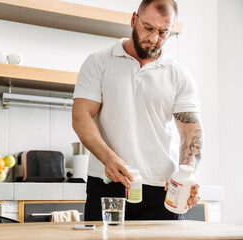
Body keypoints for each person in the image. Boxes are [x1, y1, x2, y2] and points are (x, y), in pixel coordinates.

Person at [72, 0, 202, 221]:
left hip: (161, 190)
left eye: (163, 32)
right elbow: (81, 116)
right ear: (134, 20)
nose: (154, 38)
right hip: (107, 184)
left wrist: (186, 174)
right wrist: (109, 159)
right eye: (149, 28)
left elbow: (191, 132)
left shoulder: (179, 75)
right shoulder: (99, 62)